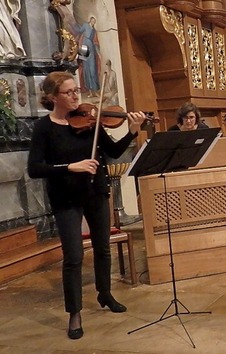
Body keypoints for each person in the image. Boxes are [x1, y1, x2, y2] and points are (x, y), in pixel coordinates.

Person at [27, 71, 147, 340]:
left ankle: (105, 293)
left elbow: (114, 151)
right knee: (74, 257)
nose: (75, 96)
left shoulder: (91, 122)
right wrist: (71, 166)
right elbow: (35, 168)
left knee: (103, 248)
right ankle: (75, 313)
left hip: (95, 191)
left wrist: (132, 130)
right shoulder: (43, 128)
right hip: (66, 199)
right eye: (68, 92)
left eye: (76, 91)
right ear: (52, 97)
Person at [75, 16, 101, 98]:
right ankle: (90, 91)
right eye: (92, 21)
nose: (93, 22)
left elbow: (96, 42)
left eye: (94, 21)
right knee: (86, 69)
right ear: (90, 20)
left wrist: (99, 53)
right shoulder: (85, 25)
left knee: (93, 70)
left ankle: (95, 91)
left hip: (91, 48)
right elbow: (79, 32)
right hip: (84, 46)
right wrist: (78, 44)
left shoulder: (94, 30)